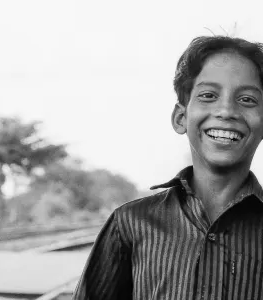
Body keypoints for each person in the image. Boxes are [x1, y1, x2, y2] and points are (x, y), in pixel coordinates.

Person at [72, 36, 263, 300]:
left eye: (247, 99)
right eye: (208, 95)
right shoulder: (129, 223)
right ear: (181, 118)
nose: (226, 110)